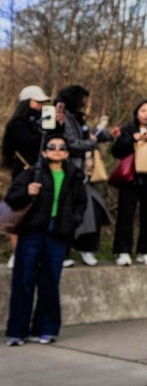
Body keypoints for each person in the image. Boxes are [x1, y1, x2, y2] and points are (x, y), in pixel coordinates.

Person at [4, 132, 87, 346]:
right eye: (52, 147)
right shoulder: (34, 172)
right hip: (32, 231)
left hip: (58, 232)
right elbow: (11, 197)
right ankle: (17, 331)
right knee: (24, 280)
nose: (57, 150)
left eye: (61, 147)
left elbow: (81, 204)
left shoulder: (74, 175)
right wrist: (27, 191)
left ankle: (46, 329)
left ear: (67, 153)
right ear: (44, 151)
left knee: (50, 281)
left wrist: (72, 222)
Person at [56, 85, 114, 268]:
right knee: (68, 214)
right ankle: (63, 252)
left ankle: (86, 248)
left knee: (95, 209)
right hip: (71, 173)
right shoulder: (64, 119)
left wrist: (109, 134)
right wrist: (91, 142)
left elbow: (89, 134)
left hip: (85, 174)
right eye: (83, 99)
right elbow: (72, 143)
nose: (85, 103)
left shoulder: (77, 118)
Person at [110, 100, 147, 266]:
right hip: (131, 178)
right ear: (137, 113)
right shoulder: (129, 129)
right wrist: (133, 140)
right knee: (125, 215)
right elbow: (116, 151)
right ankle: (123, 251)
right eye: (143, 110)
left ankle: (146, 250)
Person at [2, 85, 51, 269]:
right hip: (23, 169)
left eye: (42, 103)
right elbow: (28, 143)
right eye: (37, 102)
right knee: (19, 209)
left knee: (40, 212)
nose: (40, 106)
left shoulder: (45, 122)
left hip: (43, 171)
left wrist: (52, 125)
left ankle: (37, 253)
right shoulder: (17, 124)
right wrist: (41, 129)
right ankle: (16, 253)